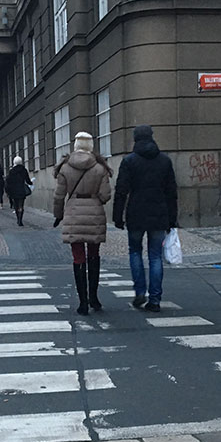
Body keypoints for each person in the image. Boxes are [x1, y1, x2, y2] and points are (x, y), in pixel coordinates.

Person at [112, 124, 177, 313]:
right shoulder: (164, 161)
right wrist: (172, 218)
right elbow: (171, 192)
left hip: (136, 213)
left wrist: (118, 216)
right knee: (155, 256)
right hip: (159, 213)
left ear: (135, 139)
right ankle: (155, 299)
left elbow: (121, 191)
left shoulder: (129, 161)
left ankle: (140, 291)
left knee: (135, 252)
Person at [54, 132, 112, 314]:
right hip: (94, 212)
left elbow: (59, 196)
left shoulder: (65, 167)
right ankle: (94, 298)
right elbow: (105, 195)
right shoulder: (100, 168)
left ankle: (83, 302)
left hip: (73, 212)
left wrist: (58, 215)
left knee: (78, 256)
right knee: (94, 255)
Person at [4, 156, 33, 227]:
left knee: (16, 205)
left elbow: (8, 181)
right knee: (21, 205)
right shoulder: (24, 170)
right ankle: (20, 218)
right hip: (21, 189)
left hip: (14, 190)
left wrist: (8, 191)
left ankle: (18, 218)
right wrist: (31, 183)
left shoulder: (12, 171)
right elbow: (27, 180)